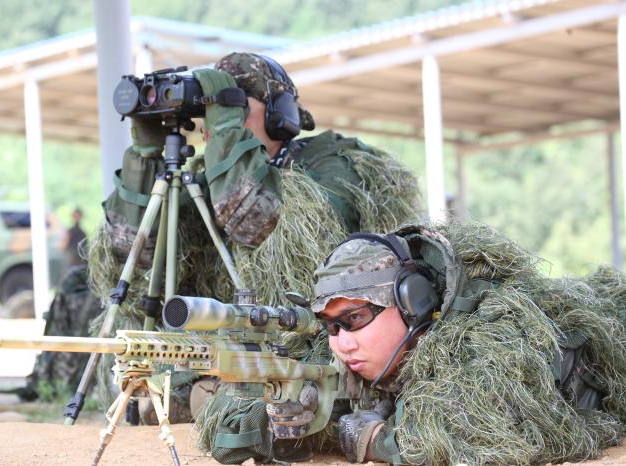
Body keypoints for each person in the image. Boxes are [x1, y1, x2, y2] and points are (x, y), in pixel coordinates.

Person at [86, 52, 422, 420]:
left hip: (304, 346)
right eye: (212, 110)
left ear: (279, 114)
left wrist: (227, 135)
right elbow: (133, 258)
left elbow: (264, 230)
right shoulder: (203, 180)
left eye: (235, 107)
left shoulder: (331, 163)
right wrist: (144, 159)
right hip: (227, 345)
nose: (217, 120)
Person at [197, 222, 626, 465]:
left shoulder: (493, 332)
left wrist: (372, 438)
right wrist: (275, 418)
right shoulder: (348, 356)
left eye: (355, 319)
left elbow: (478, 440)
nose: (342, 343)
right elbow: (223, 413)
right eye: (330, 327)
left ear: (413, 304)